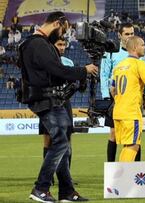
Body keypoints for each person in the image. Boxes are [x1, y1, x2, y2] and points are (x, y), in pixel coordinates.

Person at [19, 12, 98, 202]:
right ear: (57, 23)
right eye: (63, 29)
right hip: (46, 100)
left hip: (49, 98)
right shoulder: (39, 44)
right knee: (61, 143)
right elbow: (57, 69)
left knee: (63, 144)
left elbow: (52, 72)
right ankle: (41, 188)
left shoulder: (34, 44)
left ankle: (67, 191)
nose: (63, 34)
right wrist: (83, 71)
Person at [110, 36, 145, 161]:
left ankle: (122, 176)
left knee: (127, 145)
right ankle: (121, 177)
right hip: (131, 112)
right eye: (142, 45)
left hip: (118, 111)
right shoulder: (139, 64)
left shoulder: (119, 66)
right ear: (135, 47)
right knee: (133, 146)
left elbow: (112, 90)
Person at [100, 23, 144, 162]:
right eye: (127, 34)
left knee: (134, 136)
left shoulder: (139, 53)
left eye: (132, 33)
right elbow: (104, 75)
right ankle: (111, 169)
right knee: (113, 133)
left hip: (133, 100)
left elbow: (143, 75)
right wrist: (107, 97)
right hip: (115, 99)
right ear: (119, 35)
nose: (130, 36)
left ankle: (136, 169)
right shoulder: (111, 52)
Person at [38, 37, 76, 185]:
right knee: (48, 140)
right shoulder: (45, 62)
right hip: (47, 102)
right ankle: (49, 177)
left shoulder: (69, 62)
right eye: (58, 44)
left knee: (67, 140)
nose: (61, 47)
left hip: (65, 103)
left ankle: (66, 178)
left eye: (63, 44)